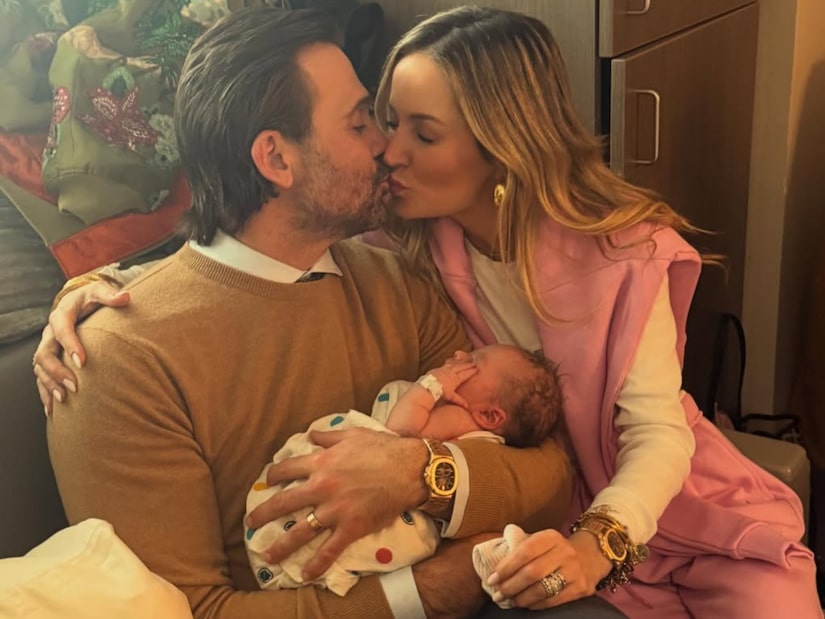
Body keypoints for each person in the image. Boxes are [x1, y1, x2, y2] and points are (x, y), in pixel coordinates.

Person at [35, 5, 821, 618]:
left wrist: (427, 473)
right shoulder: (406, 245)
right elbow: (229, 252)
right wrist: (89, 296)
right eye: (371, 120)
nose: (386, 149)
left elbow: (616, 445)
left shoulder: (566, 259)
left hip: (650, 506)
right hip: (533, 535)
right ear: (276, 156)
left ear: (499, 148)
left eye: (419, 131)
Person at [246, 345, 563, 595]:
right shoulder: (481, 431)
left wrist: (430, 386)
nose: (460, 354)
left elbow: (397, 442)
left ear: (490, 416)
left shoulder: (461, 420)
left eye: (475, 361)